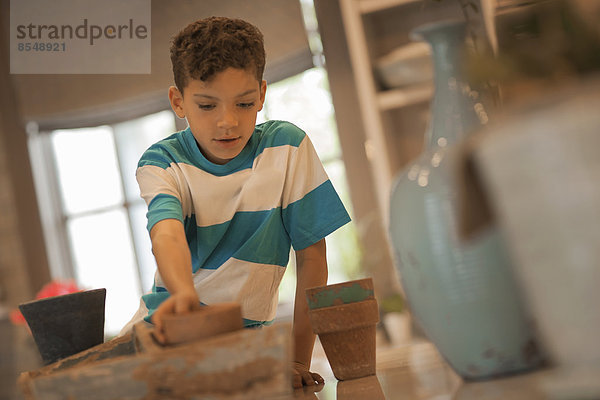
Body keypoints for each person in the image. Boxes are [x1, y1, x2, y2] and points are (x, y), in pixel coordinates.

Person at [120, 16, 351, 388]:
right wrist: (183, 298)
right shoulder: (162, 163)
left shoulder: (287, 149)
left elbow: (312, 258)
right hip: (164, 336)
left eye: (243, 104)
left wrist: (295, 358)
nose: (227, 122)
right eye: (207, 106)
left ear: (261, 94)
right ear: (178, 101)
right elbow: (167, 235)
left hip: (246, 348)